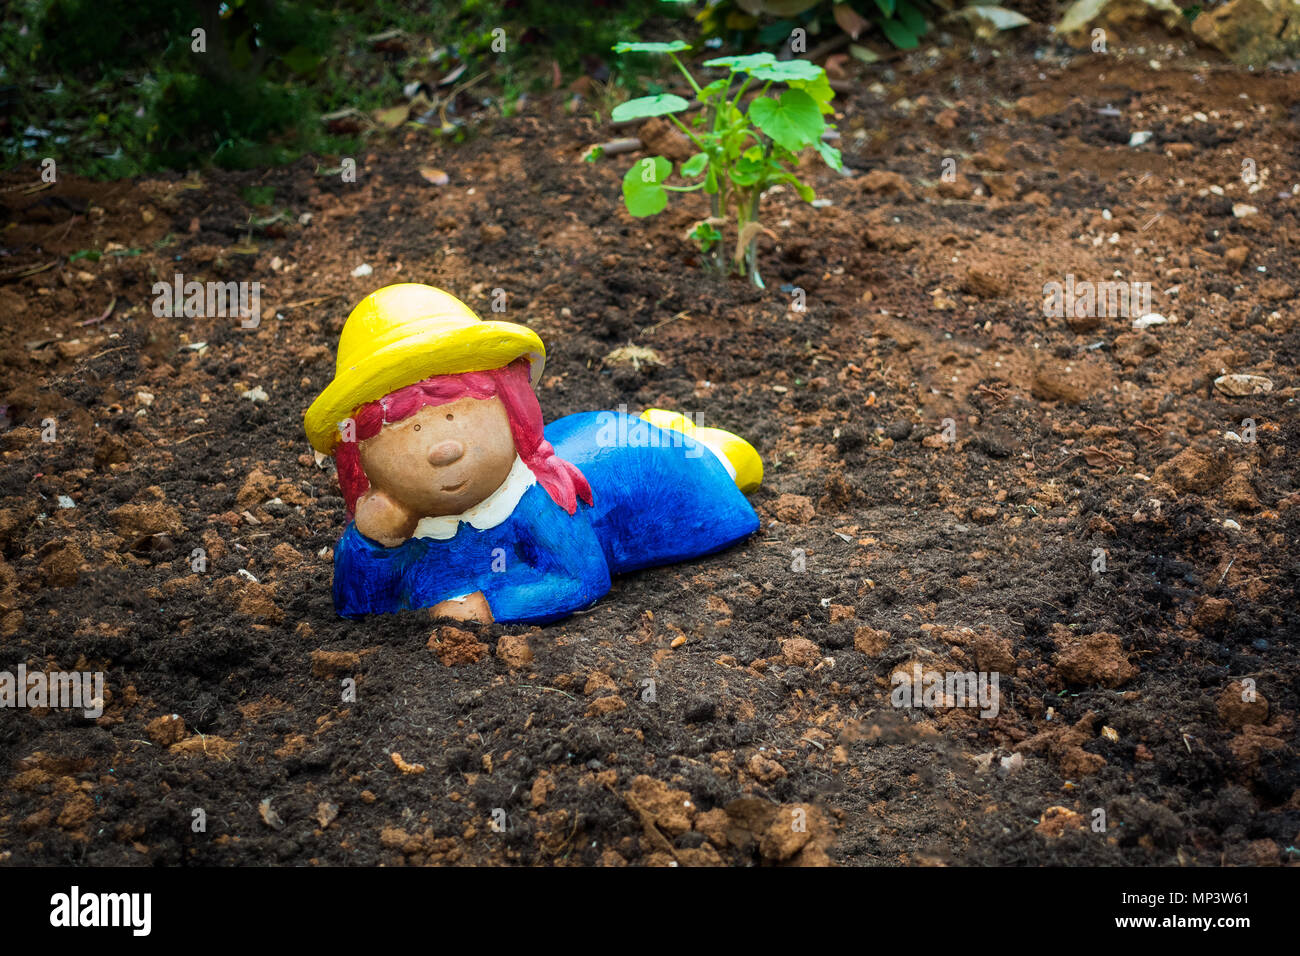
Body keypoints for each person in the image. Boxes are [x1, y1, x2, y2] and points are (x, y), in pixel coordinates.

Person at [304, 284, 762, 624]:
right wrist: (372, 543)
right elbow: (357, 605)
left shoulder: (537, 499)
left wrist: (489, 607)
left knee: (699, 467)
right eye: (411, 428)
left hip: (646, 462)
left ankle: (705, 446)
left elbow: (580, 578)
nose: (444, 450)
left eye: (455, 417)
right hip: (592, 431)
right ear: (359, 459)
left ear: (512, 411)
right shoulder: (409, 523)